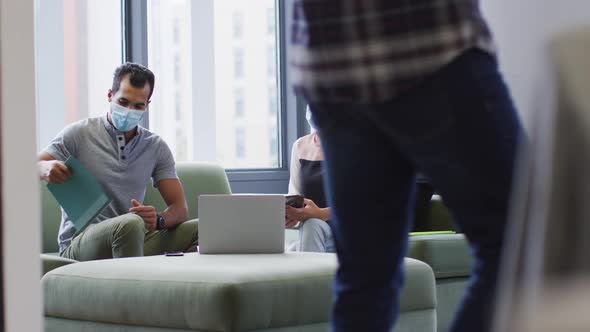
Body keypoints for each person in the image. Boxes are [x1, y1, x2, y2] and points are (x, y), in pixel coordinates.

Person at [290, 2, 523, 332]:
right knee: (525, 239)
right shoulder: (300, 148)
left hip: (331, 63)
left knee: (364, 278)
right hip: (426, 45)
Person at [38, 62, 198, 261]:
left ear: (147, 105)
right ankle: (130, 290)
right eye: (123, 102)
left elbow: (180, 209)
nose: (130, 110)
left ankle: (166, 289)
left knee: (200, 229)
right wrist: (46, 168)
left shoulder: (155, 146)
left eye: (138, 106)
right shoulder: (79, 133)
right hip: (81, 242)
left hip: (133, 237)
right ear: (110, 96)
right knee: (129, 225)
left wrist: (158, 220)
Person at [286, 107, 335, 253]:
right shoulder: (300, 146)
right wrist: (292, 215)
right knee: (291, 250)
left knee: (312, 225)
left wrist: (320, 214)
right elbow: (295, 194)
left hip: (350, 229)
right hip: (314, 230)